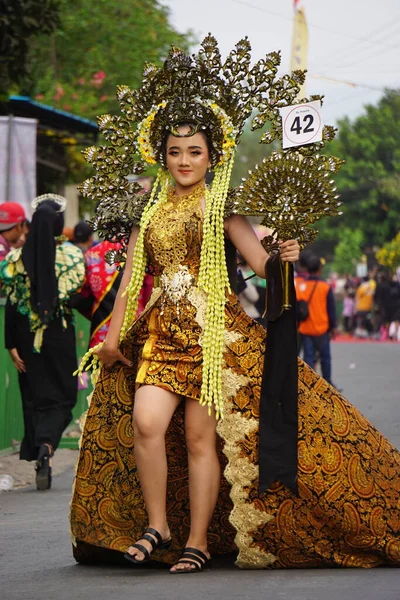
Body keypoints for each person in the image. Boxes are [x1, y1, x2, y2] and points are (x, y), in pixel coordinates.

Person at [70, 37, 400, 571]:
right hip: (160, 335)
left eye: (194, 152)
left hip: (213, 337)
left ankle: (197, 540)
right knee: (146, 424)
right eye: (175, 152)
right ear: (162, 154)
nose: (183, 161)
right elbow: (133, 280)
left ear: (212, 155)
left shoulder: (224, 209)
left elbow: (265, 266)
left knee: (203, 439)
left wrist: (286, 254)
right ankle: (159, 526)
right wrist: (109, 343)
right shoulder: (149, 212)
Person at [0, 194, 85, 490]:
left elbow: (11, 304)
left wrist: (10, 344)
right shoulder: (71, 257)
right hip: (59, 335)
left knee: (35, 396)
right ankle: (47, 446)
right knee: (64, 396)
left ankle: (38, 444)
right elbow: (76, 297)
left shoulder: (15, 259)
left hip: (24, 338)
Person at [296, 255, 337, 384]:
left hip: (306, 328)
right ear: (320, 269)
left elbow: (298, 307)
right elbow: (331, 309)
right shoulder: (325, 287)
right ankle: (328, 383)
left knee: (308, 357)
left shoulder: (301, 286)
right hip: (322, 328)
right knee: (325, 358)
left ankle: (309, 384)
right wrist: (332, 327)